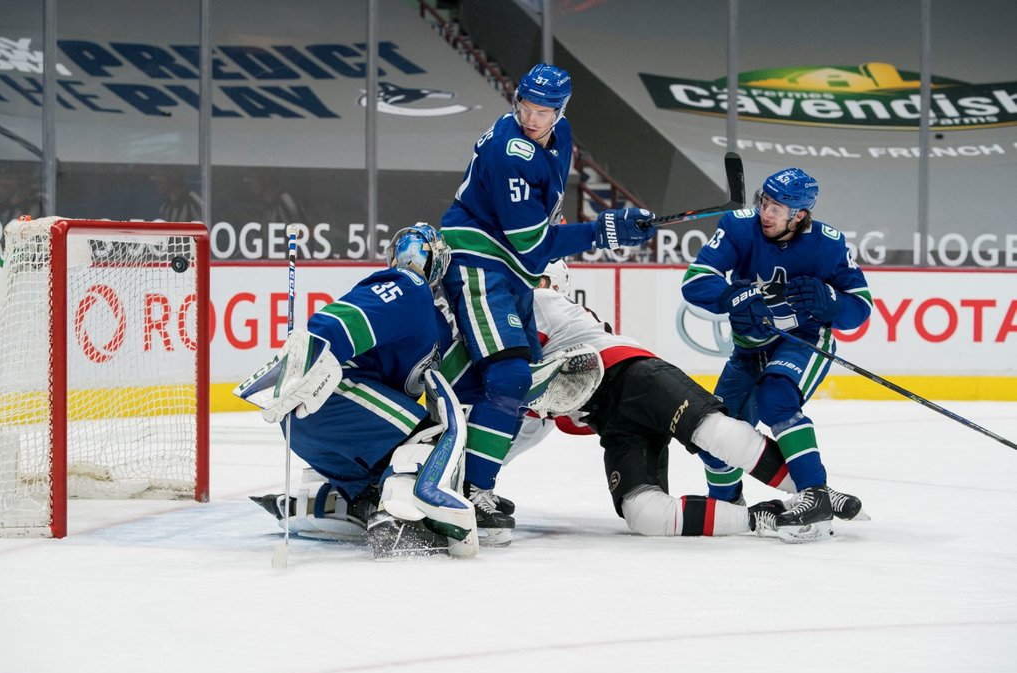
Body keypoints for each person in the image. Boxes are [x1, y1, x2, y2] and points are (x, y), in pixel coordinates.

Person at [439, 63, 658, 544]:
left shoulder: (560, 136)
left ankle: (454, 477)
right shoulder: (509, 150)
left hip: (508, 270)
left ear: (561, 112)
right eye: (525, 106)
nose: (531, 118)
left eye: (543, 111)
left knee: (521, 383)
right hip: (479, 261)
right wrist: (605, 229)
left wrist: (610, 226)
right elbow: (531, 245)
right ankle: (473, 489)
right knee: (511, 375)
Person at [505, 261, 814, 539]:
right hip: (613, 422)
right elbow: (525, 430)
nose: (534, 285)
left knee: (716, 433)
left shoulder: (538, 302)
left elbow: (521, 382)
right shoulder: (531, 313)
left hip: (633, 377)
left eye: (540, 280)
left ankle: (815, 492)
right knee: (644, 514)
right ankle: (759, 518)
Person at [236, 223, 479, 558]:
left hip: (318, 424)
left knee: (386, 466)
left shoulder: (434, 324)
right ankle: (395, 521)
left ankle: (361, 504)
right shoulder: (410, 285)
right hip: (330, 397)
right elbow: (349, 318)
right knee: (427, 438)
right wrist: (311, 349)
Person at [681, 167, 873, 542]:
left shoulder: (829, 244)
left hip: (803, 342)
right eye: (764, 202)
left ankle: (814, 496)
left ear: (799, 215)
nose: (765, 213)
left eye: (777, 208)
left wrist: (831, 302)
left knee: (776, 397)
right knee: (716, 434)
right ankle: (728, 505)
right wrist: (731, 297)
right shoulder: (738, 227)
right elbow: (695, 281)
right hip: (748, 351)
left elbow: (860, 307)